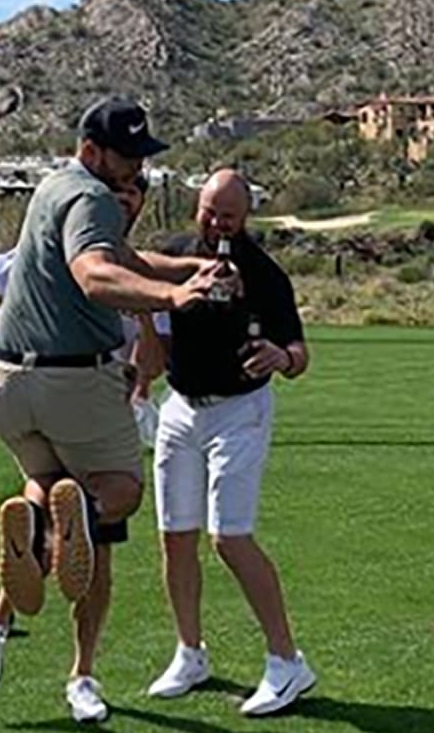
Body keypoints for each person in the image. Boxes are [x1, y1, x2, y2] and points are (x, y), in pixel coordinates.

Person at [0, 96, 228, 723]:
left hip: (7, 382)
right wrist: (175, 293)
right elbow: (95, 274)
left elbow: (123, 261)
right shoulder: (89, 198)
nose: (136, 171)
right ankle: (80, 662)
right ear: (92, 152)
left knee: (47, 495)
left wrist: (185, 266)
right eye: (128, 158)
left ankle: (26, 560)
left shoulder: (54, 188)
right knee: (117, 495)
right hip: (73, 383)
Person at [144, 168, 316, 716]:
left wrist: (280, 357)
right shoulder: (175, 253)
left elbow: (299, 355)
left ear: (246, 218)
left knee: (230, 537)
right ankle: (190, 653)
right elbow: (137, 279)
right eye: (210, 212)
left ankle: (287, 662)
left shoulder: (265, 275)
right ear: (198, 206)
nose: (218, 224)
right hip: (181, 408)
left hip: (240, 411)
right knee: (175, 536)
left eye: (229, 216)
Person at [0, 175, 171, 402]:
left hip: (106, 400)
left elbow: (152, 369)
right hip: (44, 393)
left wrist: (144, 315)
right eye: (113, 192)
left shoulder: (145, 276)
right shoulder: (48, 259)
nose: (121, 199)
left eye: (131, 194)